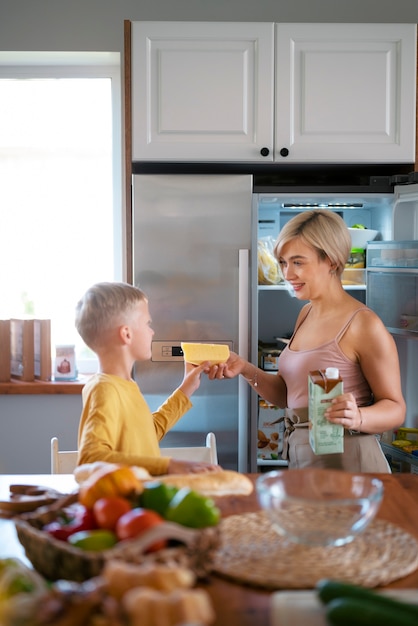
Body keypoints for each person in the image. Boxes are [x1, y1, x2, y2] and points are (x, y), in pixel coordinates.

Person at [209, 209, 406, 472]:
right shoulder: (306, 313)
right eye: (283, 262)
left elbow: (395, 408)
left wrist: (358, 416)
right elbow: (288, 396)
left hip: (349, 463)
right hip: (303, 456)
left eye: (298, 262)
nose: (287, 273)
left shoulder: (363, 324)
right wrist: (245, 369)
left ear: (332, 261)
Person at [75, 281, 221, 475]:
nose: (152, 331)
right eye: (147, 323)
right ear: (126, 334)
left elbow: (147, 434)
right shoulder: (105, 389)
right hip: (126, 503)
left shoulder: (125, 385)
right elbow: (90, 458)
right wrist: (167, 466)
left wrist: (186, 389)